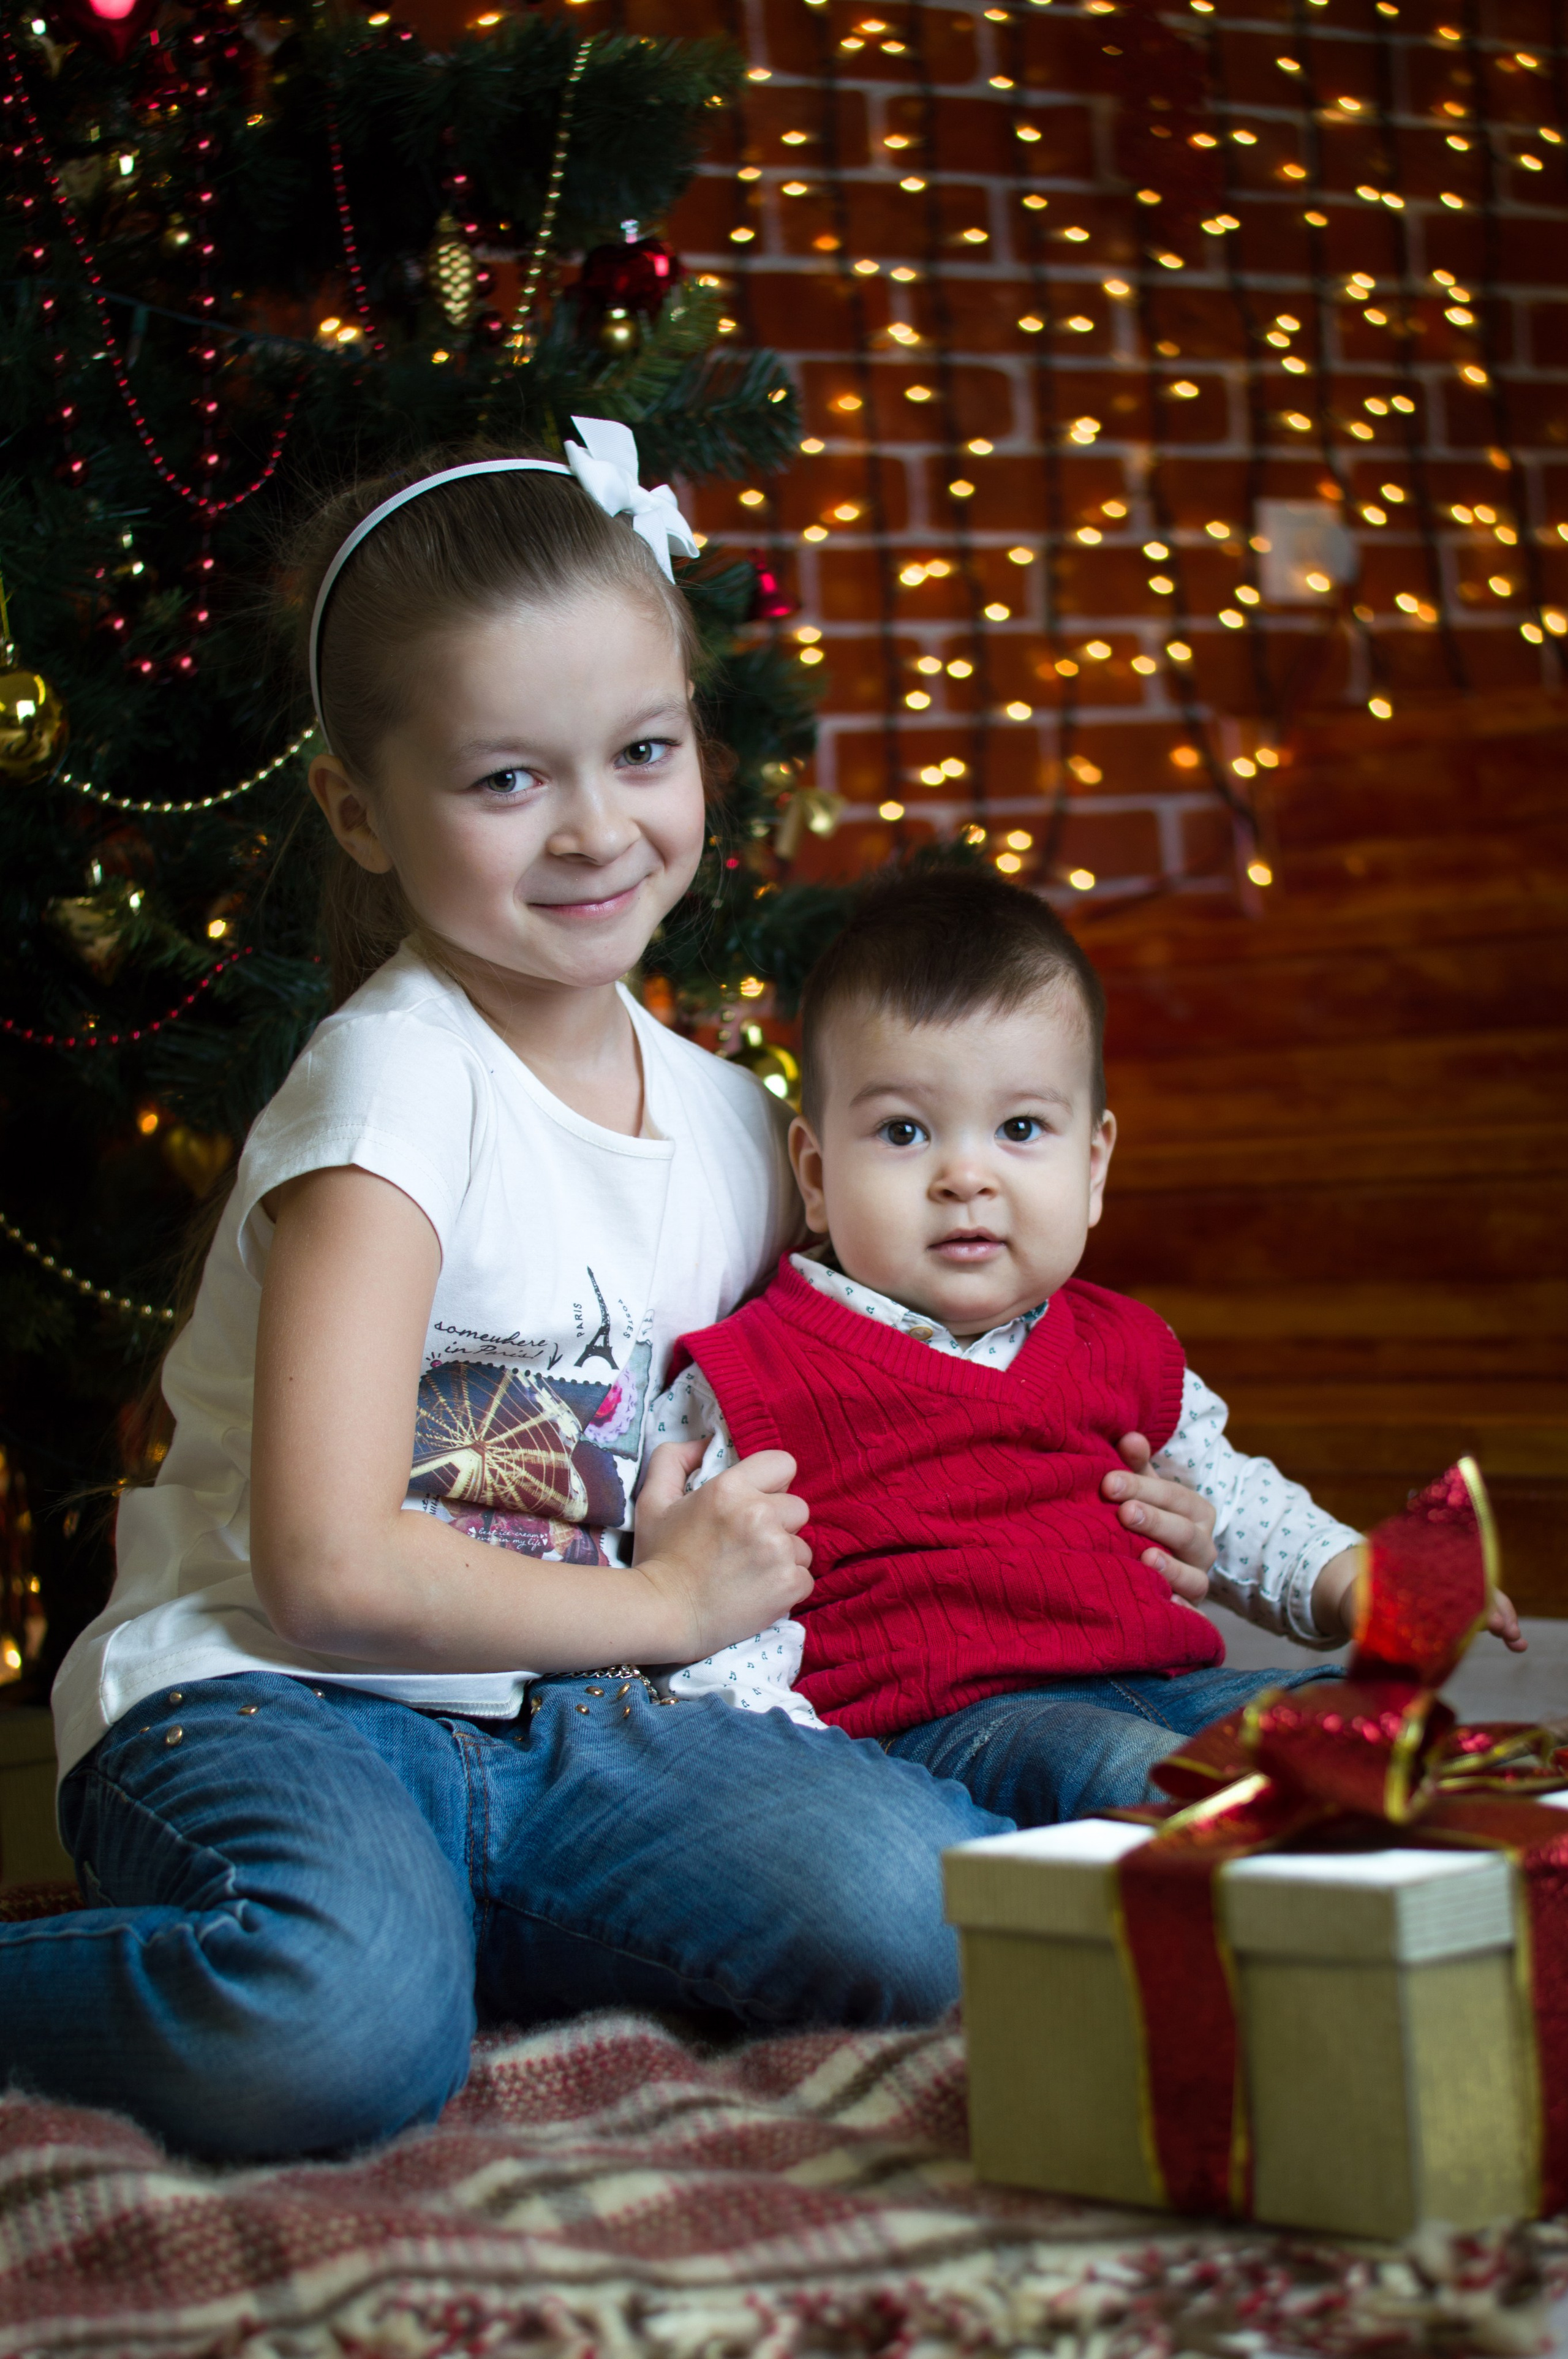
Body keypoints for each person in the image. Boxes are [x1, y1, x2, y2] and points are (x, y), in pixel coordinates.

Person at [1, 424, 1212, 2163]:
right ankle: (369, 1945)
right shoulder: (390, 1094)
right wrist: (663, 1606)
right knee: (323, 2031)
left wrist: (1104, 1491)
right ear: (360, 808)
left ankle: (450, 1933)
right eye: (506, 780)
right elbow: (328, 1572)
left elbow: (869, 1395)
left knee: (918, 1914)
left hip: (586, 1722)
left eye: (641, 751)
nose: (594, 829)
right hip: (280, 1698)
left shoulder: (733, 1120)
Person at [652, 869, 1525, 1823]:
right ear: (817, 1177)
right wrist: (817, 1781)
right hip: (958, 1722)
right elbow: (728, 1622)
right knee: (1140, 1770)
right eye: (905, 1131)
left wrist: (1359, 1579)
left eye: (1021, 1128)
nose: (966, 1177)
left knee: (1347, 1726)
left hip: (1160, 1677)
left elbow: (1232, 1500)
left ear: (1094, 1165)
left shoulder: (1122, 1341)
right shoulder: (757, 1371)